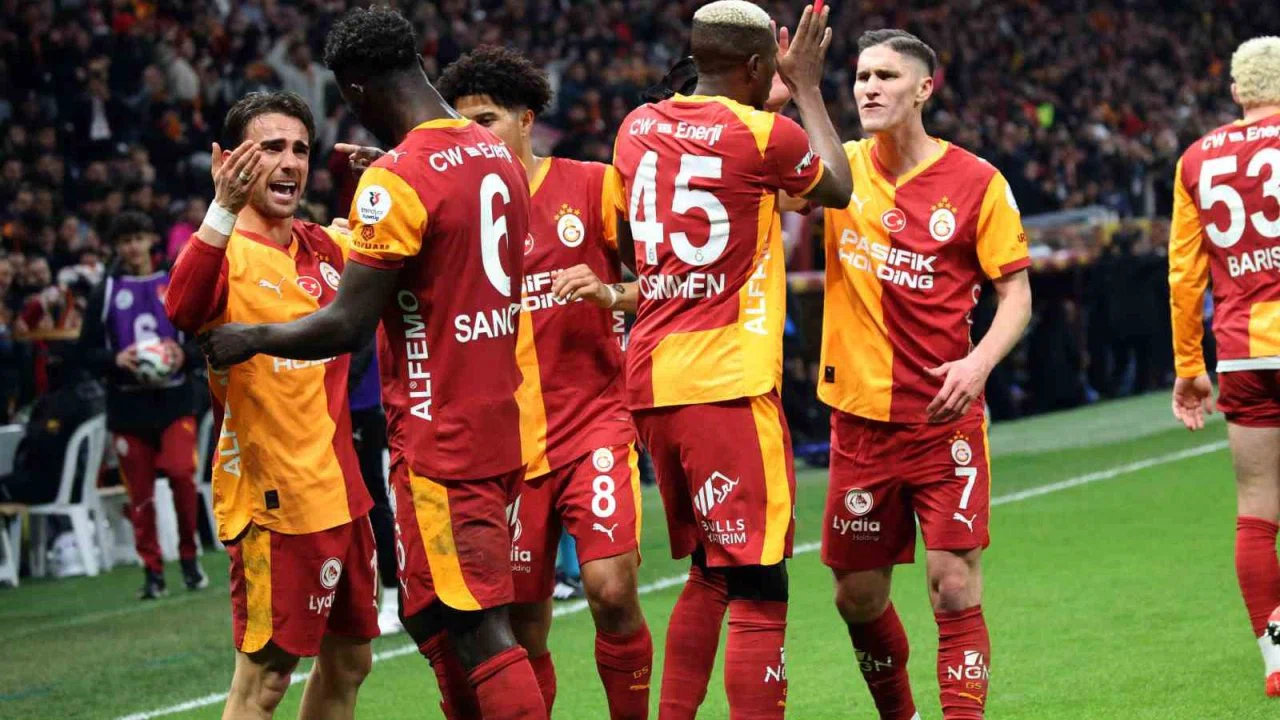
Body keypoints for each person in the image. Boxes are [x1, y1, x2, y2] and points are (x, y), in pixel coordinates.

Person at [199, 8, 547, 719]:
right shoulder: (497, 157)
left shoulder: (397, 178)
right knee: (428, 616)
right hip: (498, 418)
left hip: (440, 436)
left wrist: (251, 338)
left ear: (355, 89)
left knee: (477, 625)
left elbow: (348, 324)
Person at [606, 2, 852, 717]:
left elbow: (631, 240)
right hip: (728, 382)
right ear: (755, 66)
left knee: (710, 570)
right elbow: (838, 187)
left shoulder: (636, 127)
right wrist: (806, 87)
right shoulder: (767, 137)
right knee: (759, 582)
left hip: (653, 378)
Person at [815, 30, 1032, 720]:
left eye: (885, 76)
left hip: (945, 422)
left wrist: (978, 362)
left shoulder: (977, 181)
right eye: (861, 77)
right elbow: (763, 173)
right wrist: (797, 93)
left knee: (954, 585)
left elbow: (1017, 294)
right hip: (859, 423)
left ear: (923, 89)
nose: (869, 88)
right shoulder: (839, 171)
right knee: (857, 598)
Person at [436, 45, 651, 718]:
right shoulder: (457, 212)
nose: (475, 136)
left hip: (593, 426)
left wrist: (610, 293)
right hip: (506, 450)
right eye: (462, 124)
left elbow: (667, 283)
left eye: (487, 120)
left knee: (611, 589)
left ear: (527, 119)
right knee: (524, 629)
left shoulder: (592, 185)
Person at [164, 91, 377, 720]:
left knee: (350, 662)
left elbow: (404, 251)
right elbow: (182, 309)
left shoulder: (323, 246)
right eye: (271, 148)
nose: (289, 163)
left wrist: (391, 180)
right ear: (228, 160)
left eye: (300, 150)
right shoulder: (220, 253)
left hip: (343, 490)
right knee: (264, 681)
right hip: (274, 499)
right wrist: (222, 208)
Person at [1168, 36, 1280, 698]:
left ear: (1237, 92)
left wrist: (1190, 365)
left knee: (1257, 510)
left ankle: (1276, 658)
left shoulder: (1196, 159)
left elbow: (1185, 275)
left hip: (1243, 351)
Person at [76, 210, 205, 600]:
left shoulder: (175, 279)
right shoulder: (106, 291)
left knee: (182, 475)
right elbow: (84, 353)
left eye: (138, 238)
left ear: (151, 239)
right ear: (116, 247)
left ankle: (189, 558)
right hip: (128, 407)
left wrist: (183, 354)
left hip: (174, 400)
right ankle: (152, 571)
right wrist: (114, 359)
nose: (132, 247)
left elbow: (203, 336)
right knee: (141, 494)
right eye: (125, 241)